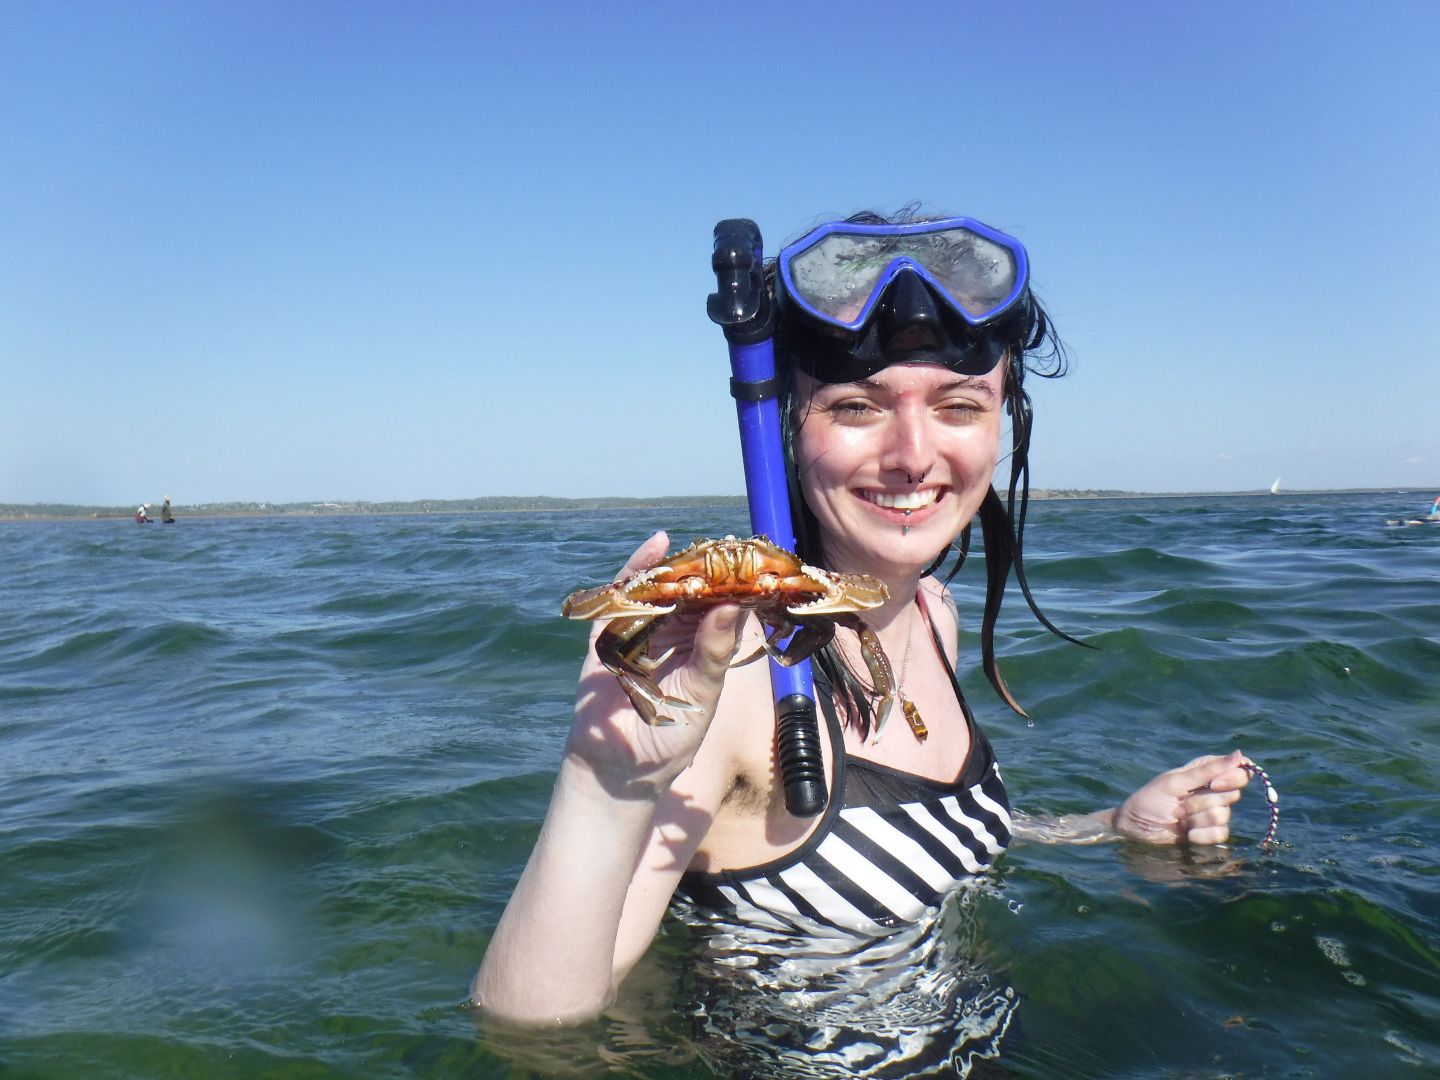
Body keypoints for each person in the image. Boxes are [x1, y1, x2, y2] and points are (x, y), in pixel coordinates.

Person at [472, 211, 1253, 1068]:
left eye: (959, 406)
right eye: (855, 406)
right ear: (789, 431)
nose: (913, 454)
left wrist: (1105, 827)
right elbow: (536, 1031)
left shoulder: (932, 616)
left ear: (1002, 425)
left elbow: (921, 838)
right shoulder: (732, 678)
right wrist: (606, 782)